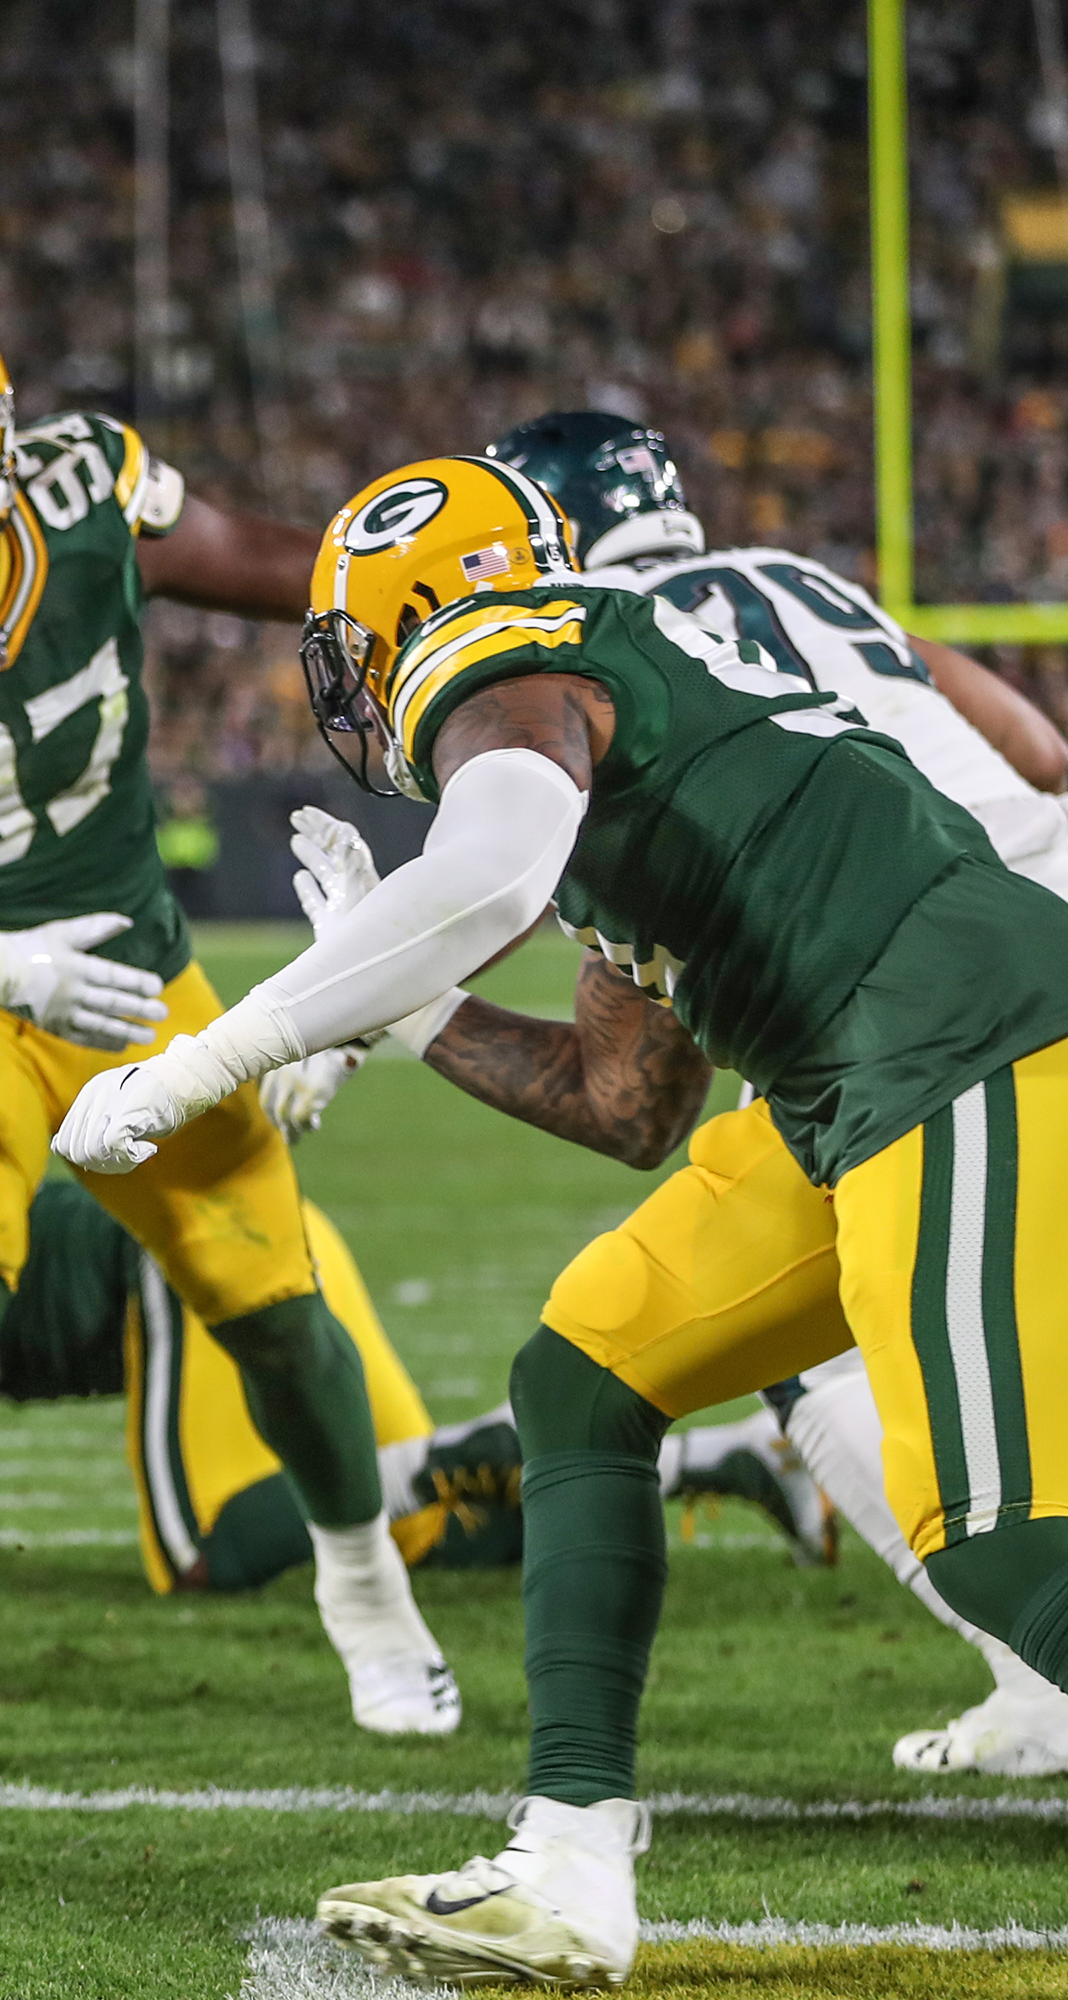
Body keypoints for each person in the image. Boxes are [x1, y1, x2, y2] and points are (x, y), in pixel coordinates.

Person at [52, 454, 1068, 1988]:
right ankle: (573, 1862)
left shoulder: (507, 653)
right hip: (849, 1083)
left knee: (1001, 1552)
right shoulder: (628, 713)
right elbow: (627, 1107)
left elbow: (494, 858)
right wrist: (408, 1012)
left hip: (972, 1041)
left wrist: (216, 1053)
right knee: (589, 1363)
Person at [265, 413, 1068, 1789]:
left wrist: (365, 1008)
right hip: (997, 937)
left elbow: (614, 1057)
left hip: (947, 1014)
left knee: (933, 1459)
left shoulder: (588, 651)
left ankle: (1033, 1672)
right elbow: (1036, 747)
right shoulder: (799, 586)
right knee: (679, 1333)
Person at [0, 284, 455, 1774]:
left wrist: (437, 593)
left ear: (0, 433)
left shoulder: (88, 489)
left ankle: (368, 1595)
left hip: (138, 990)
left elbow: (279, 564)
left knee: (273, 1307)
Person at [0, 1145, 820, 1629]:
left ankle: (469, 1446)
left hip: (182, 1267)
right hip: (260, 1254)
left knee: (203, 1548)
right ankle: (711, 1460)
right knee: (427, 1539)